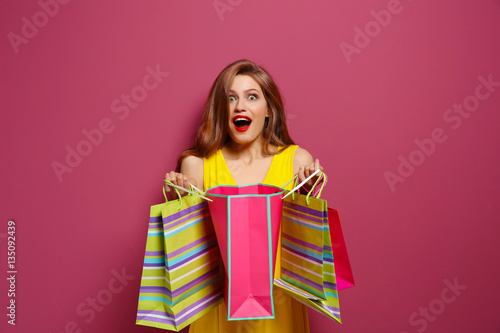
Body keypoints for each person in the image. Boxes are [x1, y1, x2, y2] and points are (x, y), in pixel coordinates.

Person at [164, 59, 324, 333]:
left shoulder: (297, 160)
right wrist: (178, 205)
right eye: (231, 98)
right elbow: (191, 254)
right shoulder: (198, 165)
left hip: (279, 312)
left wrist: (309, 200)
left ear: (268, 111)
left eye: (252, 97)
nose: (240, 106)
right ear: (221, 109)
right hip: (217, 313)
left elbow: (305, 253)